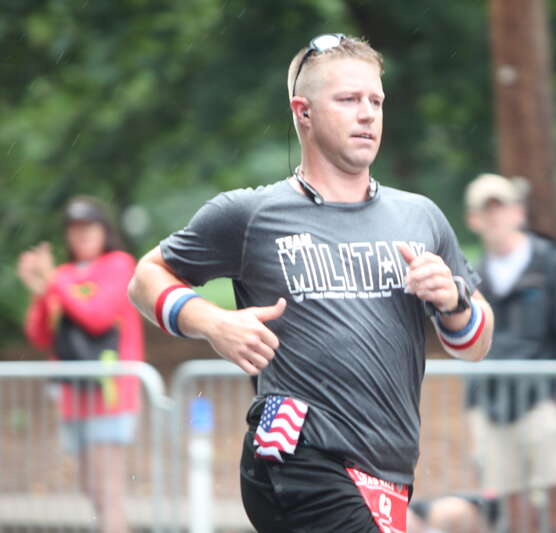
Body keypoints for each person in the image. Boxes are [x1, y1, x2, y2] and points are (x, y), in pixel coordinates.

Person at [127, 34, 494, 533]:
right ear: (304, 112)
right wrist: (211, 322)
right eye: (348, 100)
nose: (367, 114)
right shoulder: (251, 214)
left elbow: (477, 342)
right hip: (298, 455)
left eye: (376, 101)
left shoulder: (420, 217)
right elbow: (146, 277)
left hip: (388, 467)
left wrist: (454, 302)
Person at [415, 174, 556, 533]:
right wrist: (477, 401)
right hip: (494, 406)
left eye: (502, 207)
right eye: (487, 210)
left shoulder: (551, 263)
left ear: (517, 212)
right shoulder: (473, 274)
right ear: (474, 219)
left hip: (546, 399)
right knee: (512, 505)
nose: (496, 217)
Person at [18, 196, 144, 533]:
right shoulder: (62, 274)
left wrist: (54, 282)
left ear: (103, 230)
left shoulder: (119, 264)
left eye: (88, 227)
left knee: (108, 490)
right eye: (74, 229)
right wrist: (38, 290)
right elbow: (43, 335)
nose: (82, 235)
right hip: (75, 396)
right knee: (90, 489)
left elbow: (98, 318)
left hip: (109, 392)